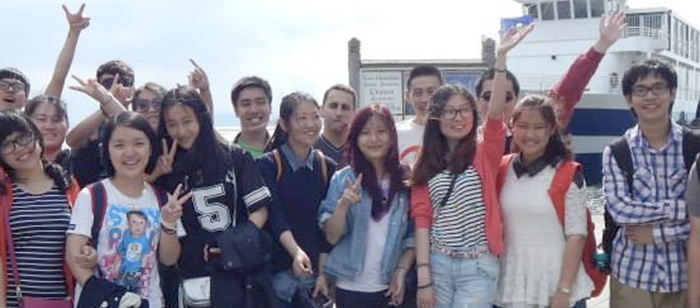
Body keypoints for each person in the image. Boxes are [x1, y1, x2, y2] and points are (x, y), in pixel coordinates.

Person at [410, 25, 532, 308]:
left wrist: (500, 60)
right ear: (436, 117)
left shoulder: (484, 152)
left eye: (464, 110)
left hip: (478, 267)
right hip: (438, 264)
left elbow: (496, 113)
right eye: (449, 111)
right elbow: (422, 219)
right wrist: (424, 275)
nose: (458, 117)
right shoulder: (425, 160)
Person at [156, 86, 274, 307]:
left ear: (202, 118)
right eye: (172, 124)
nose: (181, 131)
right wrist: (157, 174)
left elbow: (260, 209)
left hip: (237, 273)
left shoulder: (233, 156)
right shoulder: (167, 169)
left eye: (187, 121)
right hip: (189, 277)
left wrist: (232, 241)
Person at [65, 111, 186, 307]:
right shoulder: (92, 195)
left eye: (139, 143)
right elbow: (73, 255)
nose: (130, 152)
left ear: (151, 148)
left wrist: (168, 223)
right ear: (107, 150)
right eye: (119, 145)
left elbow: (169, 259)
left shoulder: (164, 199)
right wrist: (109, 297)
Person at [602, 59, 688, 308]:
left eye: (658, 88)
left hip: (684, 275)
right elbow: (621, 210)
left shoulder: (693, 148)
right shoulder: (617, 151)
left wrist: (656, 233)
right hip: (631, 275)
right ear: (629, 99)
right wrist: (683, 211)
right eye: (640, 90)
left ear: (672, 93)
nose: (649, 96)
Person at [495, 96, 592, 308]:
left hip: (556, 283)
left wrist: (563, 290)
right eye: (522, 126)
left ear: (551, 130)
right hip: (511, 282)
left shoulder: (568, 173)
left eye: (539, 127)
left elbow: (576, 235)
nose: (530, 134)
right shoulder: (501, 168)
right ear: (512, 127)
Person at [319, 103, 415, 308]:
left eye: (381, 131)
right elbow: (331, 236)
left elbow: (412, 236)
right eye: (365, 133)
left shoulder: (405, 180)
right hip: (349, 288)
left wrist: (401, 271)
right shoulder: (343, 178)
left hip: (389, 286)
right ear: (355, 138)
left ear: (392, 136)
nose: (373, 139)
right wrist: (343, 205)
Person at [258, 91, 337, 307]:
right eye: (301, 118)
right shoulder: (268, 164)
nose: (311, 124)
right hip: (278, 275)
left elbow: (326, 225)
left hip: (314, 277)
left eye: (315, 116)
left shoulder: (327, 166)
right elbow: (275, 215)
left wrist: (323, 272)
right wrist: (296, 252)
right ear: (284, 124)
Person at [0, 111, 82, 307]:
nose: (18, 148)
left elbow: (82, 241)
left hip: (63, 300)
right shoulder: (3, 192)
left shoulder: (67, 186)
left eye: (23, 138)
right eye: (6, 144)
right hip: (14, 302)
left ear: (36, 136)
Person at [0, 4, 90, 112]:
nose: (10, 90)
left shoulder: (34, 123)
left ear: (26, 100)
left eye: (17, 87)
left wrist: (74, 32)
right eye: (3, 85)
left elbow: (58, 78)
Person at [66, 60, 135, 186]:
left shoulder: (141, 125)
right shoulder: (93, 127)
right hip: (94, 198)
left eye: (124, 82)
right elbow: (72, 141)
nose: (116, 87)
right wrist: (106, 105)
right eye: (108, 83)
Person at [396, 65, 443, 166]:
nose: (425, 99)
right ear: (407, 96)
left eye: (431, 92)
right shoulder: (395, 133)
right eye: (418, 93)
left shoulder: (454, 132)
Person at [231, 76, 273, 159]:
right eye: (246, 104)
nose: (254, 110)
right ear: (236, 110)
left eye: (260, 102)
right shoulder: (226, 156)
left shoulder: (284, 154)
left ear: (270, 107)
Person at [315, 84, 356, 167]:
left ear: (354, 114)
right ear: (321, 110)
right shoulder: (308, 151)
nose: (339, 113)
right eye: (333, 106)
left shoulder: (361, 152)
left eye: (345, 108)